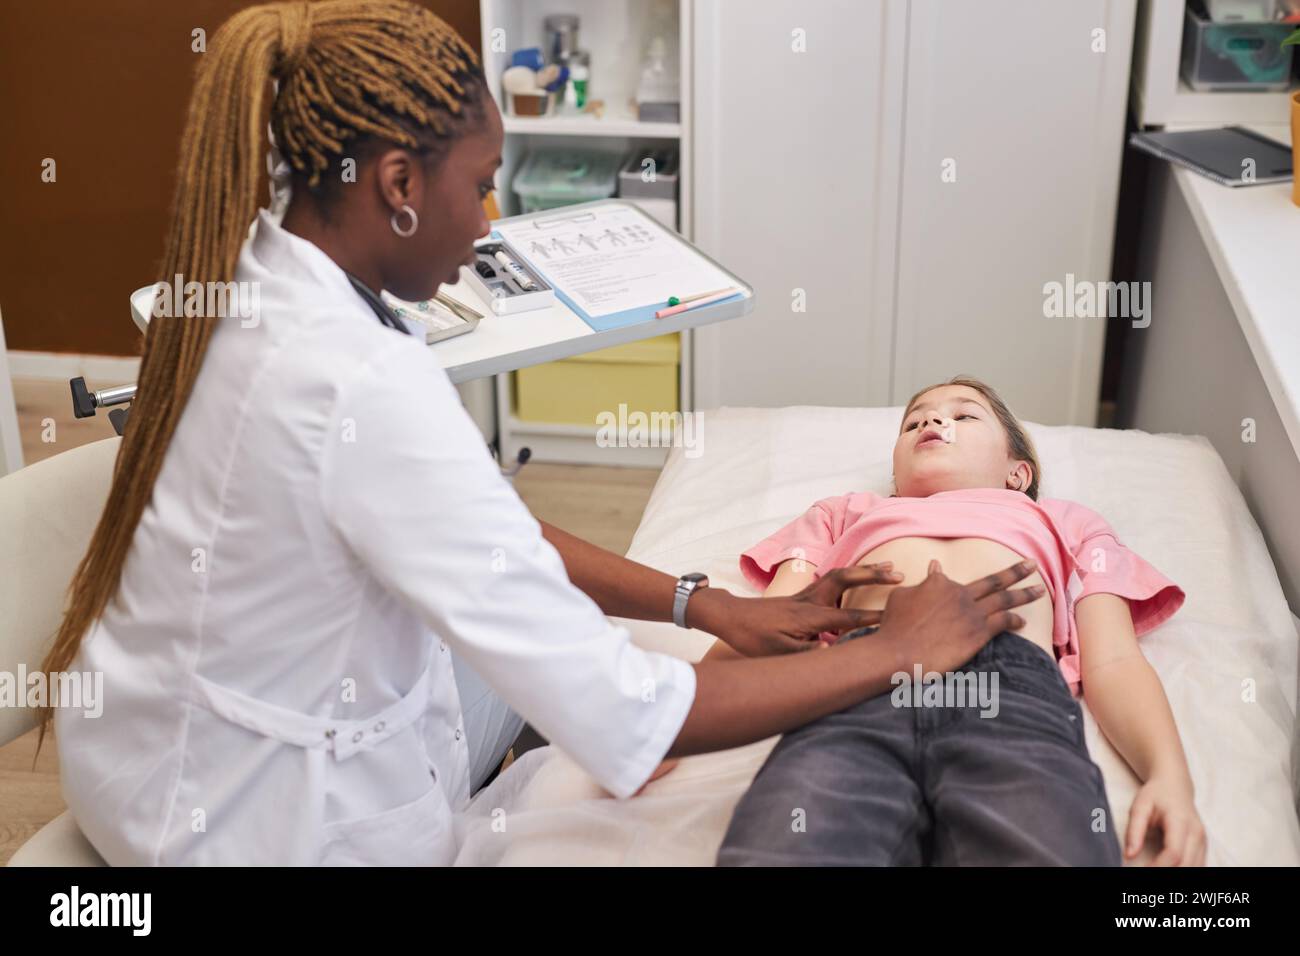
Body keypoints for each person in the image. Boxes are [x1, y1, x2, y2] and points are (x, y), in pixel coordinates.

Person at [39, 3, 1038, 865]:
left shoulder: (262, 257)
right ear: (394, 183)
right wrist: (896, 650)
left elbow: (483, 533)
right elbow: (627, 723)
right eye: (478, 184)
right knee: (606, 728)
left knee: (574, 673)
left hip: (150, 728)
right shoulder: (358, 384)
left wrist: (704, 605)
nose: (486, 225)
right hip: (241, 820)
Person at [715, 377, 1205, 866]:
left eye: (965, 415)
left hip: (1009, 693)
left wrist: (1168, 776)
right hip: (857, 680)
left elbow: (1114, 659)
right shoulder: (846, 513)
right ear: (895, 471)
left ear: (1018, 474)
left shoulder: (1066, 521)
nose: (931, 420)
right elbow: (767, 620)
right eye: (913, 421)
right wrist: (679, 709)